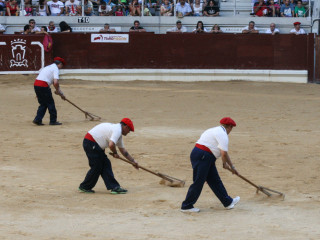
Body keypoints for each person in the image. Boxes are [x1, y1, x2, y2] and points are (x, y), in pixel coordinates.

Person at [181, 117, 240, 213]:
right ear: (229, 127)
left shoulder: (214, 130)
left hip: (204, 156)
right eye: (231, 128)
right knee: (199, 181)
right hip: (203, 156)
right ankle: (186, 206)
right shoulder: (223, 135)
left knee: (215, 180)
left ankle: (228, 202)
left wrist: (232, 167)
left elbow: (224, 153)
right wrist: (224, 164)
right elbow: (223, 153)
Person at [79, 118, 138, 194]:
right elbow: (111, 144)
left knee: (105, 164)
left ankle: (114, 187)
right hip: (91, 143)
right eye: (129, 130)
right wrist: (115, 153)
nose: (129, 132)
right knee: (97, 166)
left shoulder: (118, 132)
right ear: (126, 127)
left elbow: (123, 151)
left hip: (93, 144)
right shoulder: (117, 130)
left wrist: (133, 161)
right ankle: (85, 187)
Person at [33, 57, 66, 126]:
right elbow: (56, 82)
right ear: (59, 64)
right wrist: (58, 92)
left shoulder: (47, 67)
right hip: (43, 86)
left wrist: (60, 93)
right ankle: (53, 121)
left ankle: (38, 119)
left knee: (43, 104)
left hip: (36, 85)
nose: (61, 67)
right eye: (62, 65)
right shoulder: (55, 69)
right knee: (50, 103)